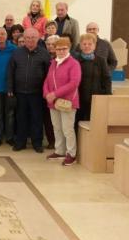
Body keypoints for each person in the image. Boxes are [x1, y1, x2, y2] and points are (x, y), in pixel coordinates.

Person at [7, 28, 51, 153]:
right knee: (21, 118)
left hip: (37, 93)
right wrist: (10, 88)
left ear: (38, 38)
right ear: (23, 39)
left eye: (33, 37)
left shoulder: (44, 53)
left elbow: (48, 74)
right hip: (20, 92)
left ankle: (37, 143)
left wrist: (46, 91)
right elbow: (10, 72)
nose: (30, 40)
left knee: (37, 119)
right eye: (27, 38)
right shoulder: (16, 53)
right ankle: (20, 143)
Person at [43, 36, 82, 166]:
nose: (60, 51)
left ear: (69, 48)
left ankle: (71, 154)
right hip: (53, 102)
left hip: (67, 102)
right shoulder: (53, 62)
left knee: (67, 129)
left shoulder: (74, 63)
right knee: (57, 128)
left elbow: (74, 83)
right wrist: (47, 93)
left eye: (63, 49)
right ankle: (60, 151)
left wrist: (55, 94)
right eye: (58, 49)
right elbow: (47, 80)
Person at [74, 33, 113, 126]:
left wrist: (107, 96)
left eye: (90, 44)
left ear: (94, 46)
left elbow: (107, 79)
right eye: (84, 44)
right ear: (80, 46)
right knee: (77, 124)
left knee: (95, 124)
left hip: (96, 99)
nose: (87, 46)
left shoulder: (101, 60)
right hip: (79, 99)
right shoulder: (75, 61)